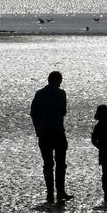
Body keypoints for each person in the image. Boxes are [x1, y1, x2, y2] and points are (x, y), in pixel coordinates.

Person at [30, 71, 73, 203]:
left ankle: (50, 194)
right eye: (60, 80)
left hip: (44, 133)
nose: (61, 82)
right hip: (57, 131)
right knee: (60, 163)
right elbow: (63, 111)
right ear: (56, 80)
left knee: (48, 164)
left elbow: (33, 113)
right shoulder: (61, 93)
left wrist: (38, 128)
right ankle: (60, 192)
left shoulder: (39, 93)